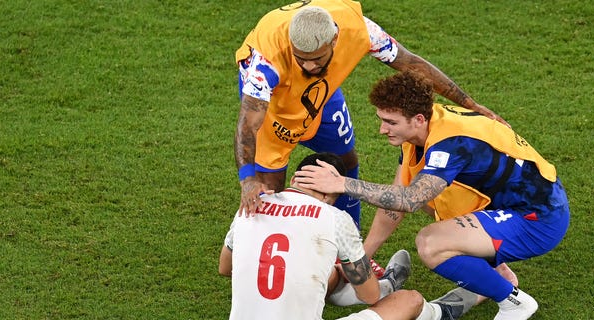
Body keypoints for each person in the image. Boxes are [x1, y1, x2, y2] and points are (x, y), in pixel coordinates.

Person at [294, 71, 571, 320]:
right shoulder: (423, 129)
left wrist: (342, 183)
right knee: (419, 194)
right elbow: (395, 203)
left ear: (417, 119)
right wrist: (362, 258)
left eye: (390, 122)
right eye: (381, 120)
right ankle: (497, 272)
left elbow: (409, 200)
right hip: (507, 205)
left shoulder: (450, 144)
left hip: (539, 218)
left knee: (431, 244)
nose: (382, 129)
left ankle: (514, 302)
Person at [234, 0, 508, 230]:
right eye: (300, 57)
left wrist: (470, 103)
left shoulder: (361, 30)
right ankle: (284, 256)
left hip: (322, 93)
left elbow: (410, 63)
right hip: (275, 104)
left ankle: (349, 240)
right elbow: (248, 125)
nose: (308, 64)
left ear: (335, 40)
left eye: (317, 58)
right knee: (269, 190)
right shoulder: (263, 64)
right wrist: (247, 179)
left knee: (345, 158)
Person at [219, 152, 448, 320]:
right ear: (333, 193)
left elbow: (225, 268)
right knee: (410, 300)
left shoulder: (252, 205)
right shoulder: (334, 218)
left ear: (293, 181)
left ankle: (377, 285)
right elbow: (369, 295)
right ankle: (439, 311)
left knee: (319, 272)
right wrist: (351, 274)